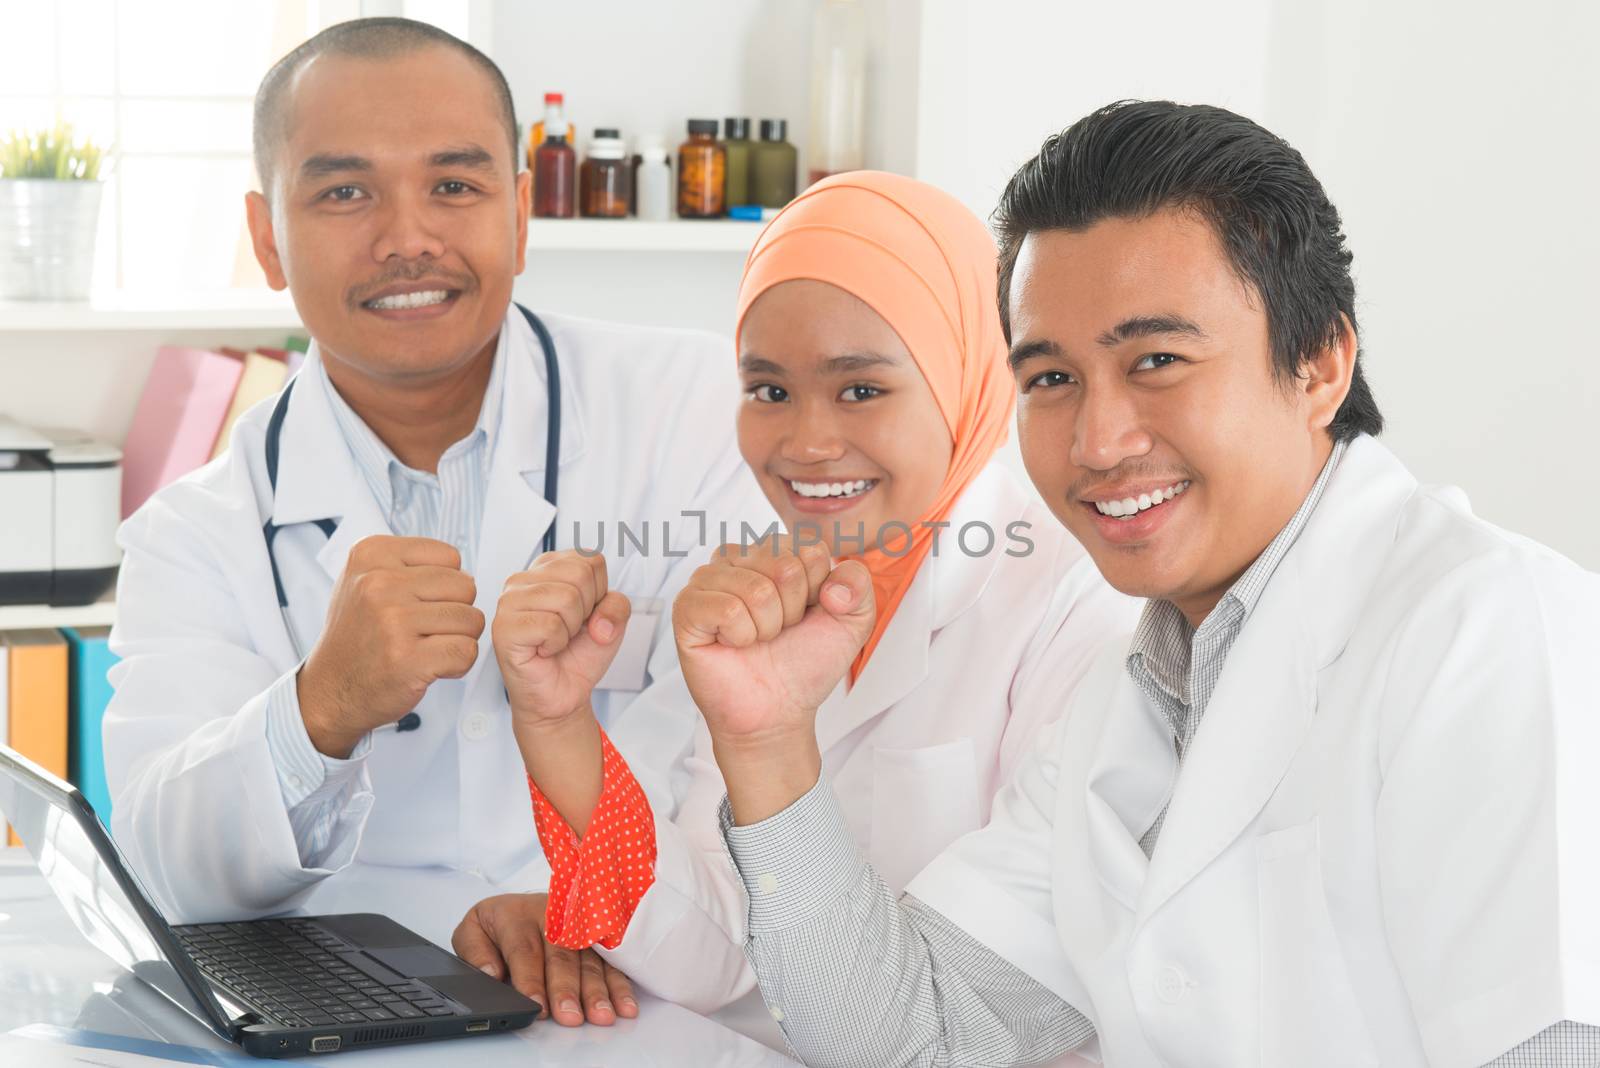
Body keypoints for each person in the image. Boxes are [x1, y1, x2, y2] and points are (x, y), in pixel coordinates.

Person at [683, 103, 1600, 1066]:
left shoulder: (1488, 630)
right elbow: (915, 1039)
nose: (1097, 441)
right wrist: (771, 741)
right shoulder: (1130, 697)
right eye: (1050, 379)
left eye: (1156, 361)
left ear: (1321, 363)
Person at [102, 17, 770, 1027]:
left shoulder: (702, 416)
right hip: (355, 1025)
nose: (407, 237)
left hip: (651, 1003)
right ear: (265, 237)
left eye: (454, 185)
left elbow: (762, 781)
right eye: (343, 191)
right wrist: (320, 708)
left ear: (520, 215)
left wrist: (595, 893)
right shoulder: (192, 534)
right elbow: (170, 865)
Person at [448, 172, 1137, 1021]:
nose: (808, 443)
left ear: (967, 377)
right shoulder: (759, 591)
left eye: (861, 389)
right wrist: (555, 724)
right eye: (769, 391)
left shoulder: (1080, 609)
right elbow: (718, 955)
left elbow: (983, 998)